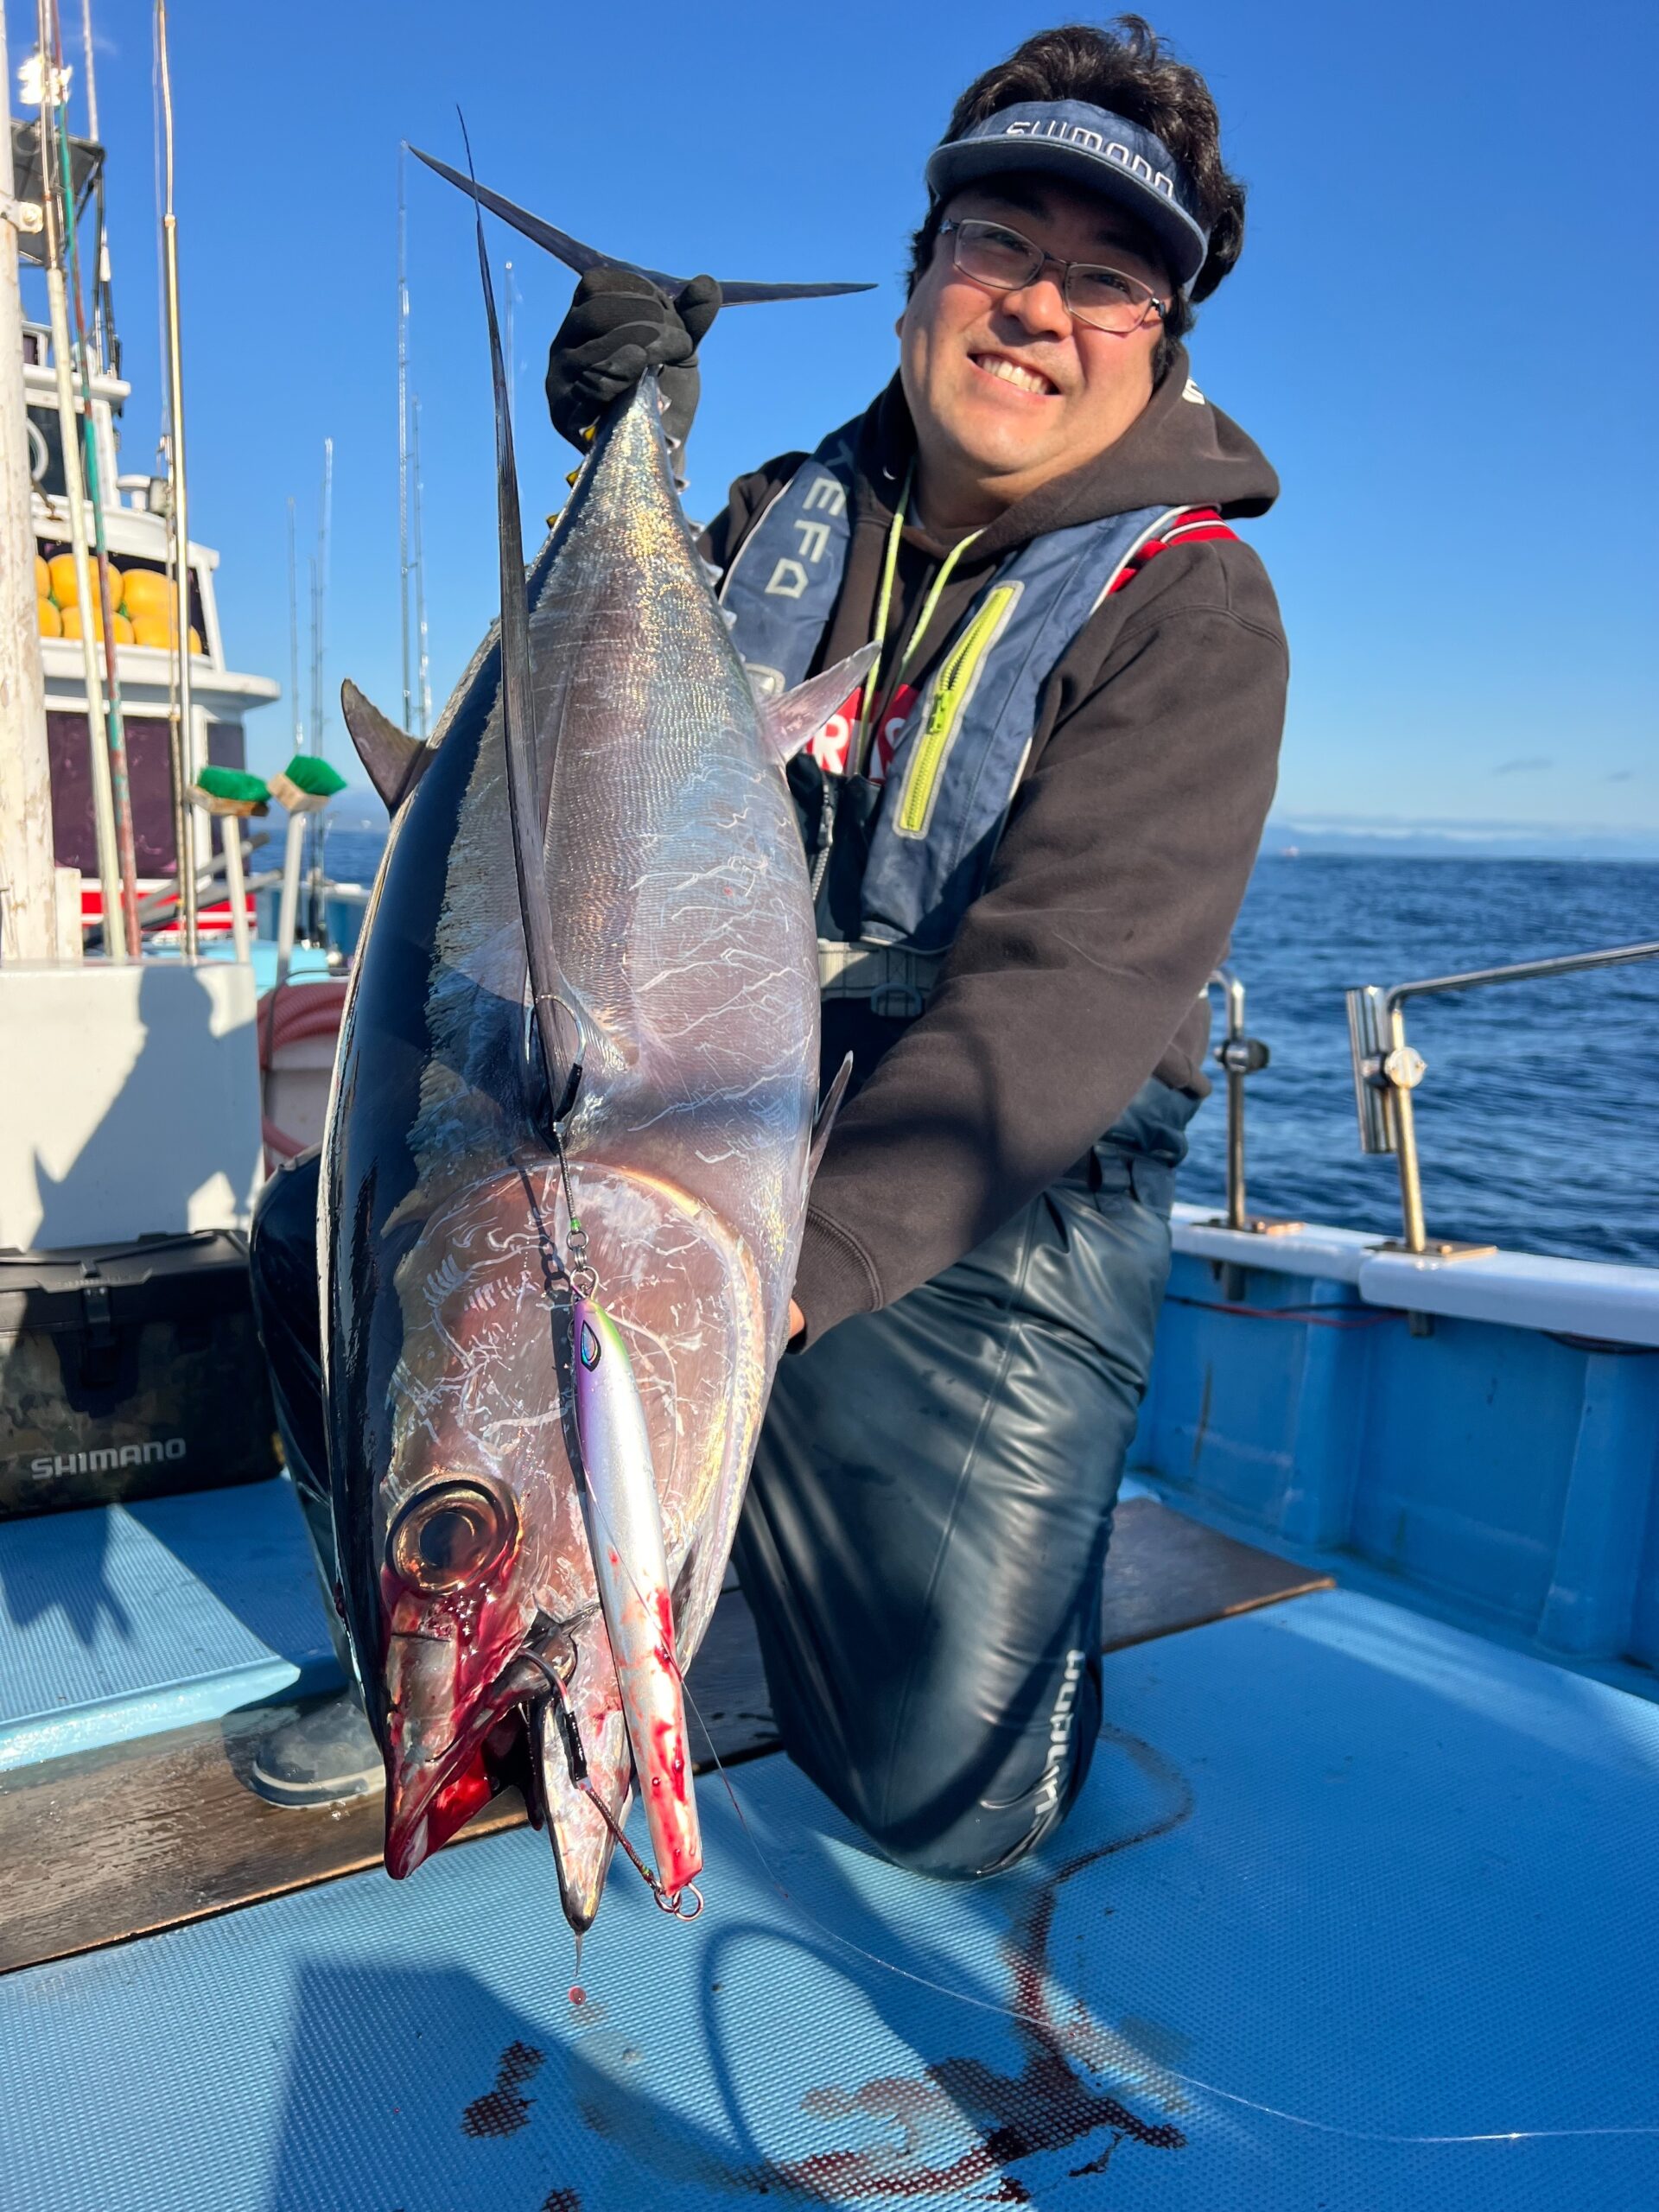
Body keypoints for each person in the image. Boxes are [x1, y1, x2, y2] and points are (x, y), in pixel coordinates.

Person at [249, 16, 1287, 1872]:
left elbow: (1058, 1022)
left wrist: (765, 1296)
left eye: (1107, 281)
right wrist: (618, 438)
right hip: (698, 1140)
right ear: (917, 287)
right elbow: (551, 775)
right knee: (307, 1232)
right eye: (999, 251)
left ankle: (669, 1511)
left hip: (973, 1210)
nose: (1039, 308)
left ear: (1163, 344)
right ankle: (436, 1617)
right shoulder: (759, 529)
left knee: (947, 1800)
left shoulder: (1189, 611)